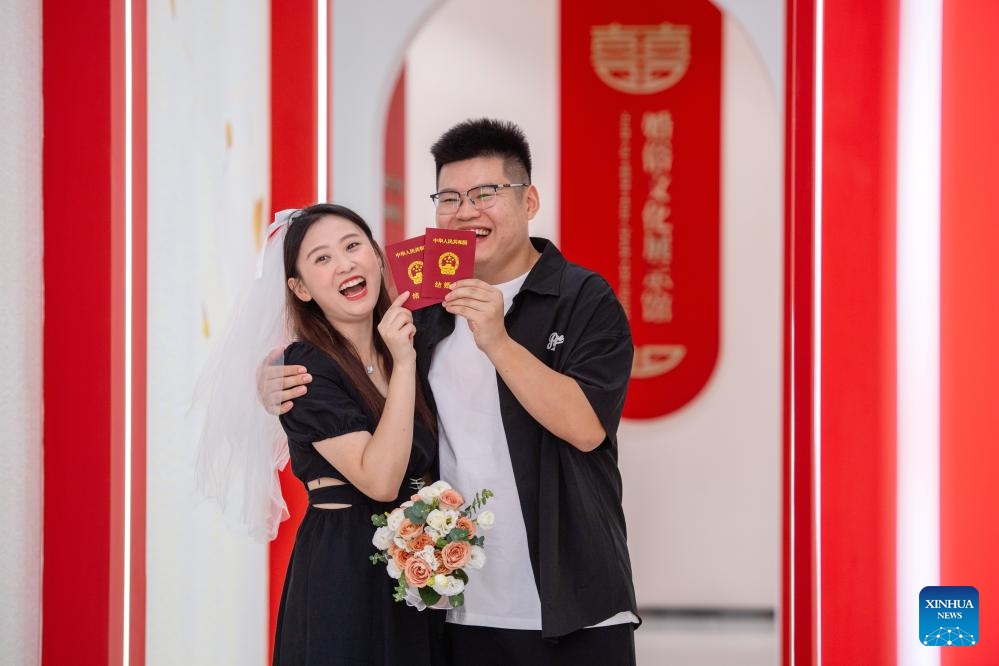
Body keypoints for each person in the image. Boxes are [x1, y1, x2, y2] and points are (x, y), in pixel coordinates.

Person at [267, 119, 640, 665]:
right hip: (453, 606)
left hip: (573, 602)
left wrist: (498, 341)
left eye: (487, 193)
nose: (466, 211)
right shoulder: (424, 308)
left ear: (529, 199)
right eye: (450, 197)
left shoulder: (581, 296)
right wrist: (270, 376)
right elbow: (349, 361)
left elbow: (586, 429)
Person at [269, 203, 442, 665]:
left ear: (377, 256)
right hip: (344, 570)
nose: (344, 263)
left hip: (415, 565)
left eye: (352, 246)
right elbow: (379, 480)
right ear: (300, 288)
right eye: (321, 258)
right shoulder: (304, 368)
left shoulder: (410, 340)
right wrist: (404, 364)